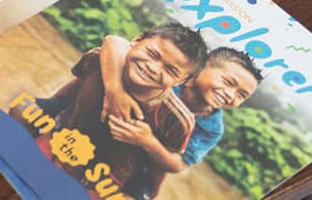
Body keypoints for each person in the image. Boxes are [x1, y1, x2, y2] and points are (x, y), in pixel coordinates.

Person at [28, 23, 208, 200]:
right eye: (152, 54)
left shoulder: (176, 119)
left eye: (170, 70)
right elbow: (72, 91)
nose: (153, 68)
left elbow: (160, 167)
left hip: (107, 179)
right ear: (137, 40)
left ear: (181, 81)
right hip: (64, 141)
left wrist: (148, 144)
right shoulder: (99, 58)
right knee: (22, 111)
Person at [99, 41, 262, 197]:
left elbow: (178, 164)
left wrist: (147, 141)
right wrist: (115, 90)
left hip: (142, 166)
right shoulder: (170, 77)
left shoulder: (212, 128)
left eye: (241, 95)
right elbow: (116, 45)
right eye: (228, 82)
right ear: (201, 66)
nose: (230, 94)